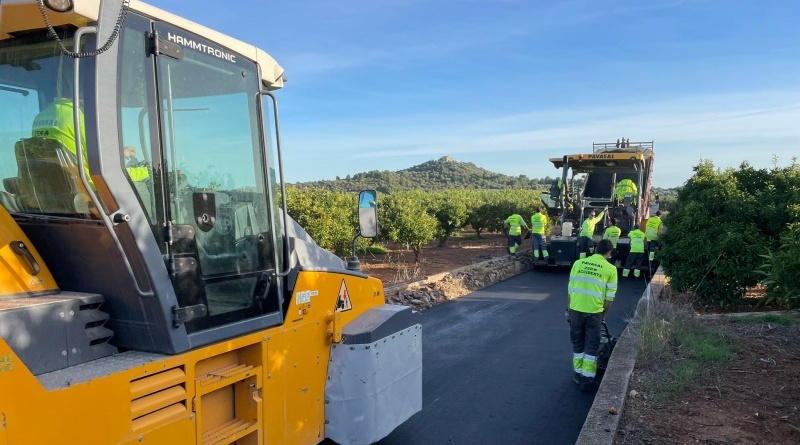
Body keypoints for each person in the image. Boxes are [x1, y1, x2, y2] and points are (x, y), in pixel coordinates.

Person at [567, 239, 617, 392]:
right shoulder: (610, 269)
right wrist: (603, 315)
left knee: (577, 342)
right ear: (609, 253)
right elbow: (609, 298)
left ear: (595, 249)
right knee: (591, 345)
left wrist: (568, 310)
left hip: (575, 310)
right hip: (594, 312)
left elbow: (570, 290)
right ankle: (587, 379)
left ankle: (577, 373)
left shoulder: (578, 263)